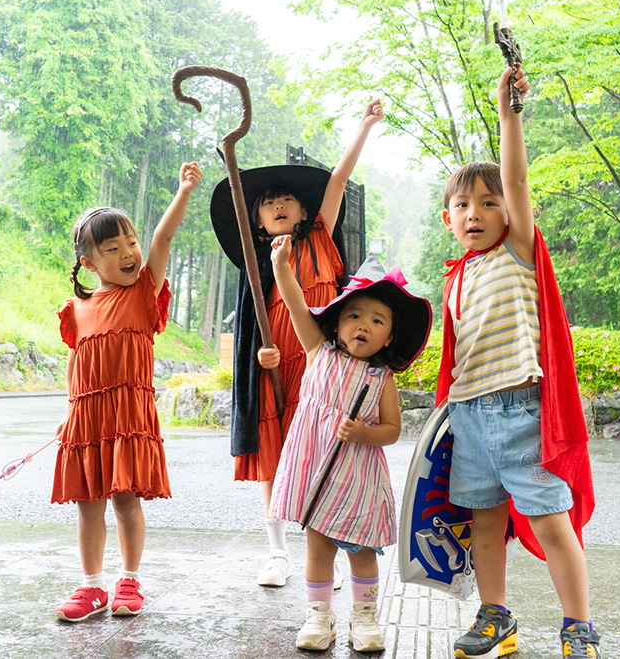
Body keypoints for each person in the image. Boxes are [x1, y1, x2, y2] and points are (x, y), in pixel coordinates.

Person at [435, 65, 600, 659]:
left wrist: (509, 117)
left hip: (522, 410)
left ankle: (577, 626)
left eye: (488, 201)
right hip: (472, 415)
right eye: (462, 205)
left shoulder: (519, 252)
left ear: (508, 212)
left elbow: (518, 180)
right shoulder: (457, 278)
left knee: (554, 520)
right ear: (448, 219)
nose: (475, 212)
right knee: (484, 520)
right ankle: (495, 616)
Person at [209, 100, 385, 587]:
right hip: (278, 363)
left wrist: (364, 128)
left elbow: (337, 180)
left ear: (305, 211)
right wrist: (258, 356)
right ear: (258, 221)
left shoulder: (322, 239)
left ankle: (328, 539)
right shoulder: (258, 260)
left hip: (324, 366)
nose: (278, 205)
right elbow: (253, 324)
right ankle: (276, 549)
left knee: (326, 447)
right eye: (268, 203)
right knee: (275, 453)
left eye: (286, 199)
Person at [51, 161, 203, 622]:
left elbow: (163, 240)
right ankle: (92, 585)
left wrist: (182, 192)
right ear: (89, 262)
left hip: (128, 415)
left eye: (130, 243)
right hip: (88, 419)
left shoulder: (142, 292)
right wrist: (70, 413)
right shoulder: (77, 309)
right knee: (87, 504)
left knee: (124, 500)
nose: (129, 253)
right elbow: (78, 365)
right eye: (113, 248)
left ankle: (129, 579)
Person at [266, 239, 432, 652]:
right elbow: (293, 302)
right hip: (316, 468)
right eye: (354, 315)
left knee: (361, 551)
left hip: (358, 478)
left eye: (377, 321)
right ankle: (319, 614)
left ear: (390, 338)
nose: (363, 324)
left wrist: (363, 433)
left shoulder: (382, 380)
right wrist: (280, 264)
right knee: (318, 545)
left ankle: (365, 616)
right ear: (337, 322)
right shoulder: (317, 350)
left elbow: (392, 429)